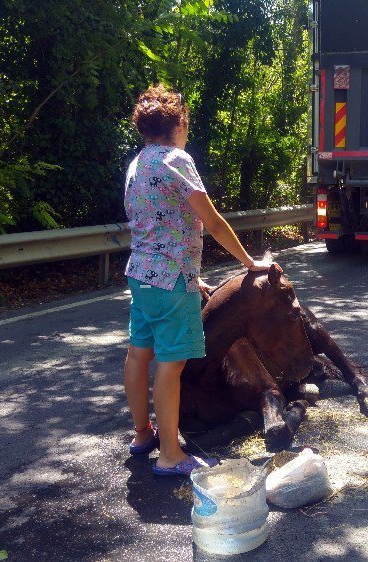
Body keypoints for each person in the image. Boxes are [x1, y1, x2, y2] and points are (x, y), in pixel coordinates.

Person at [122, 84, 274, 476]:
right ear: (178, 124)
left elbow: (160, 225)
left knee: (139, 354)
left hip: (141, 276)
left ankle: (143, 435)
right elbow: (213, 222)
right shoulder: (177, 159)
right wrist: (249, 262)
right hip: (171, 281)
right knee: (171, 365)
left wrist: (194, 278)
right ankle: (171, 454)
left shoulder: (137, 164)